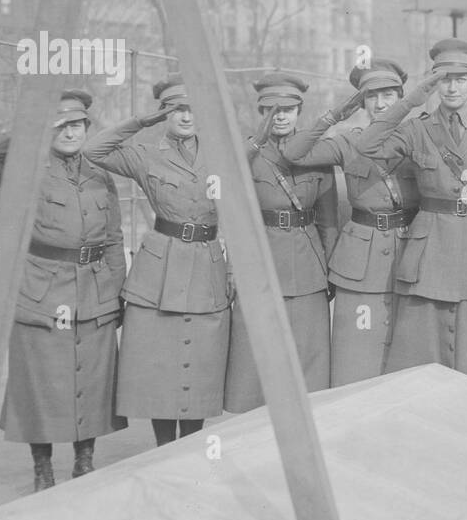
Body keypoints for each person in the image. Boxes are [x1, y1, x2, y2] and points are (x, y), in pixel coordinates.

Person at [0, 90, 126, 490]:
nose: (70, 132)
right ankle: (42, 468)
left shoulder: (99, 172)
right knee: (40, 381)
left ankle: (84, 461)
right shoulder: (25, 168)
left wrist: (115, 291)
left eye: (77, 124)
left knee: (88, 379)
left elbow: (114, 237)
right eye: (61, 125)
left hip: (93, 288)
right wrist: (30, 128)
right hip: (41, 288)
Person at [83, 74, 231, 446]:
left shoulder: (223, 153)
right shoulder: (147, 154)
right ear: (164, 113)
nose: (185, 116)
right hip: (160, 267)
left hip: (207, 265)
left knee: (199, 361)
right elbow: (93, 151)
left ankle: (192, 445)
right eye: (175, 109)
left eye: (191, 108)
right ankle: (164, 448)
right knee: (161, 363)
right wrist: (142, 121)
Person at [356, 38, 467, 386]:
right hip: (430, 250)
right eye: (444, 79)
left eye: (461, 79)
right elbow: (368, 145)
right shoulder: (416, 128)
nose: (452, 87)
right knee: (420, 361)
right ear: (434, 83)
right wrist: (412, 100)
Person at [278, 59, 420, 386]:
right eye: (372, 97)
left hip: (411, 252)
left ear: (402, 98)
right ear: (361, 102)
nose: (381, 104)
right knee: (357, 357)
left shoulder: (418, 137)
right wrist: (335, 115)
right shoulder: (347, 141)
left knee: (407, 360)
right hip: (361, 262)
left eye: (389, 95)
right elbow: (294, 154)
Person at [223, 72, 338, 409]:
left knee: (309, 361)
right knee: (255, 358)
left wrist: (330, 269)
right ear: (261, 114)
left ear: (299, 111)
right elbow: (235, 220)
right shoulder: (248, 154)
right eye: (272, 110)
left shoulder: (316, 154)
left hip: (307, 266)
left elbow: (328, 220)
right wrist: (233, 270)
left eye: (288, 109)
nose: (281, 116)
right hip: (262, 263)